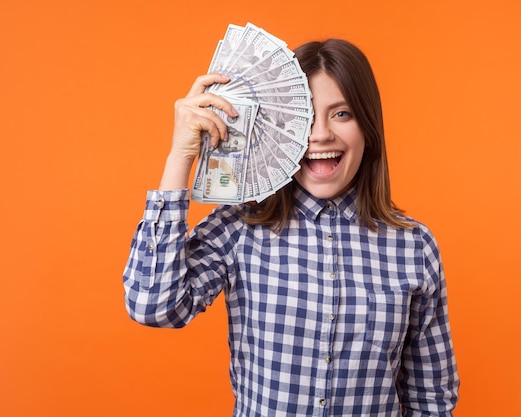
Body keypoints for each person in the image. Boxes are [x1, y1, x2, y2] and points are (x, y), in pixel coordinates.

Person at [123, 38, 459, 416]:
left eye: (342, 113)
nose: (319, 134)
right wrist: (181, 155)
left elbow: (430, 398)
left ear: (369, 126)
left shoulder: (414, 246)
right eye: (304, 117)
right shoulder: (238, 228)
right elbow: (153, 305)